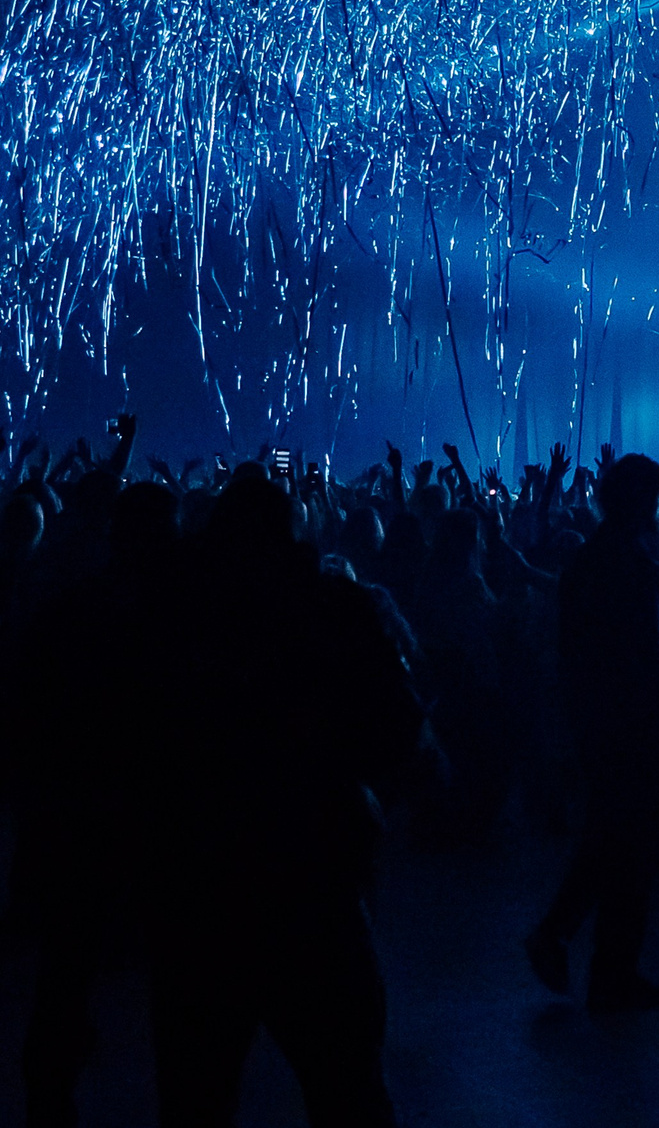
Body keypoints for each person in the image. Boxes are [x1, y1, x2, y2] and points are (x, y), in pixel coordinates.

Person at [138, 470, 429, 1128]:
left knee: (196, 1095)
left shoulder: (168, 611)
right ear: (293, 530)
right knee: (348, 1086)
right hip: (312, 876)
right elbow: (399, 730)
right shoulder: (334, 608)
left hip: (197, 883)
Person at [527, 452, 659, 1013]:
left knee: (611, 839)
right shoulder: (629, 562)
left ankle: (582, 950)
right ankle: (605, 968)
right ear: (642, 501)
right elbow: (645, 653)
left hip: (600, 718)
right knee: (627, 846)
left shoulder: (590, 560)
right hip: (631, 720)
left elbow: (576, 650)